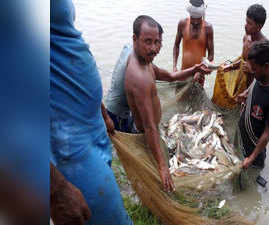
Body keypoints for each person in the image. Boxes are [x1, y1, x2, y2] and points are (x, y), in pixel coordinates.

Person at [50, 0, 133, 224]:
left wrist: (102, 112)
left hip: (92, 128)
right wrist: (55, 190)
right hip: (66, 145)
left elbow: (66, 41)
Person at [113, 15, 211, 193]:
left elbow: (171, 76)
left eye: (157, 42)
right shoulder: (139, 77)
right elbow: (150, 127)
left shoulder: (145, 61)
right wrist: (163, 167)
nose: (153, 48)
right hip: (144, 134)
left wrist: (194, 69)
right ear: (135, 39)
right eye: (147, 42)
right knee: (156, 177)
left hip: (147, 128)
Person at [236, 40, 269, 169]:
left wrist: (251, 158)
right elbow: (253, 86)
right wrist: (246, 93)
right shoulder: (259, 79)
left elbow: (267, 133)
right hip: (242, 140)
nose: (252, 72)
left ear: (267, 66)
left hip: (253, 153)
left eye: (254, 69)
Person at [223, 4, 269, 87]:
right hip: (241, 83)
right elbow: (243, 60)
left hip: (253, 89)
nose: (245, 25)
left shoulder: (265, 47)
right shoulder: (246, 37)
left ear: (259, 27)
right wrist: (231, 66)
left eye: (249, 23)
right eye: (246, 21)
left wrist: (252, 71)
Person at [173, 0, 214, 86]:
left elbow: (211, 55)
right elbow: (176, 45)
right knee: (179, 96)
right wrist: (174, 66)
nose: (195, 22)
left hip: (199, 75)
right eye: (193, 19)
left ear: (202, 16)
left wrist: (201, 71)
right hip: (183, 72)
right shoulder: (182, 24)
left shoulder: (208, 28)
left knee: (196, 96)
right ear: (190, 15)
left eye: (198, 20)